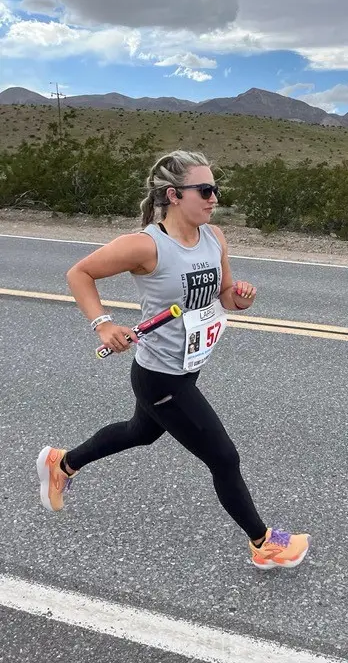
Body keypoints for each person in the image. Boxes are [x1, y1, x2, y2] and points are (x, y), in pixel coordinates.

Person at [36, 150, 311, 570]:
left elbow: (224, 296)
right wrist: (103, 324)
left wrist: (240, 298)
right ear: (174, 195)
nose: (214, 198)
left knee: (140, 432)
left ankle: (63, 463)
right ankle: (263, 543)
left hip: (189, 365)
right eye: (205, 190)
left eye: (215, 189)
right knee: (223, 457)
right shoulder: (146, 245)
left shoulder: (214, 237)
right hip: (160, 377)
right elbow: (80, 274)